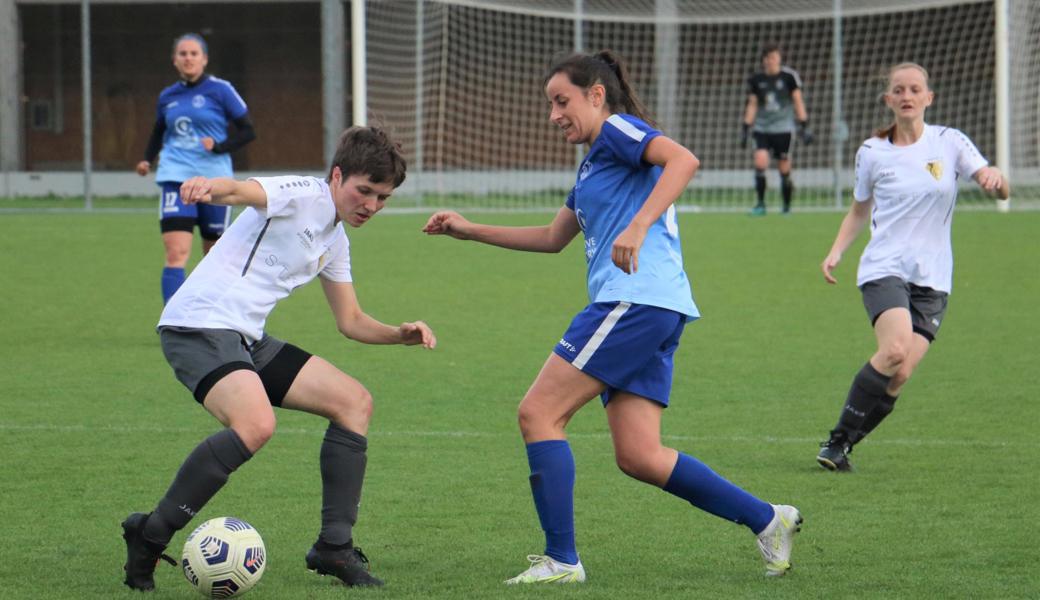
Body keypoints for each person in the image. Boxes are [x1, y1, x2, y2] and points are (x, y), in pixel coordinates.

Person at [423, 50, 802, 583]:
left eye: (562, 101)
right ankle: (769, 519)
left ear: (596, 96)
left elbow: (683, 160)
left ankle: (561, 561)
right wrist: (469, 229)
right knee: (640, 455)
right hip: (655, 308)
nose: (553, 114)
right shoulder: (592, 164)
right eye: (550, 104)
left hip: (634, 302)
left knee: (538, 413)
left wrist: (640, 224)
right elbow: (554, 238)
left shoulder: (620, 130)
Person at [121, 126, 436, 591]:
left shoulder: (336, 240)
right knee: (256, 424)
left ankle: (333, 547)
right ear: (336, 175)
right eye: (363, 190)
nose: (370, 204)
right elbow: (243, 190)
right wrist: (210, 187)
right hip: (199, 325)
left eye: (382, 197)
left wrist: (399, 335)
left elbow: (350, 320)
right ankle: (150, 534)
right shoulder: (303, 194)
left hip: (245, 337)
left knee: (354, 403)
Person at [815, 63, 1009, 471]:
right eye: (899, 90)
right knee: (894, 348)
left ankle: (845, 444)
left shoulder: (949, 142)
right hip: (884, 267)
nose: (907, 95)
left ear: (928, 98)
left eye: (914, 89)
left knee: (900, 374)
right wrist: (836, 251)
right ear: (889, 100)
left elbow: (999, 188)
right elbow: (858, 210)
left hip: (934, 278)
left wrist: (995, 177)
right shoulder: (871, 151)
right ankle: (834, 442)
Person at [136, 33, 257, 304]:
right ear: (174, 60)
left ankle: (214, 317)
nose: (188, 58)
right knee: (176, 253)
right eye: (183, 54)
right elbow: (158, 132)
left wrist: (218, 147)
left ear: (204, 59)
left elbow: (248, 132)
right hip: (175, 178)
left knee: (214, 255)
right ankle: (175, 322)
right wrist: (147, 159)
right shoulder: (167, 96)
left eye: (193, 53)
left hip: (215, 183)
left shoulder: (221, 89)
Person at [741, 42, 812, 215]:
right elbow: (752, 104)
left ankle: (786, 206)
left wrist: (804, 126)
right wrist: (745, 128)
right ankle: (760, 204)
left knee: (784, 168)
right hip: (762, 128)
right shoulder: (756, 80)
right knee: (760, 161)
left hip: (784, 129)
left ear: (779, 58)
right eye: (767, 58)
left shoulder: (789, 77)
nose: (771, 61)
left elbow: (798, 101)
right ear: (763, 60)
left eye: (774, 57)